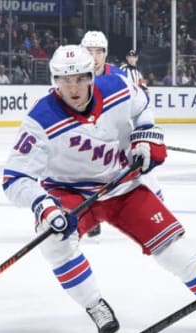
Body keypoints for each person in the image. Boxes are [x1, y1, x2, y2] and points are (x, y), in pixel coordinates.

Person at [2, 44, 196, 333]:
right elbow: (15, 178)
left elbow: (143, 107)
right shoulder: (41, 119)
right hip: (71, 191)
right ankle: (94, 304)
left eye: (80, 78)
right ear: (54, 81)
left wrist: (143, 139)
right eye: (65, 80)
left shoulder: (118, 86)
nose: (73, 87)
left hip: (123, 184)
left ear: (91, 76)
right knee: (55, 242)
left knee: (172, 247)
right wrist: (43, 205)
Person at [80, 31, 164, 237]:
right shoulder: (72, 79)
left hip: (119, 141)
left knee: (144, 175)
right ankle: (88, 217)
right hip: (89, 143)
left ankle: (159, 214)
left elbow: (142, 107)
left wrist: (143, 134)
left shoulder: (120, 77)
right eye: (89, 51)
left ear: (105, 53)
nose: (94, 56)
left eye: (98, 51)